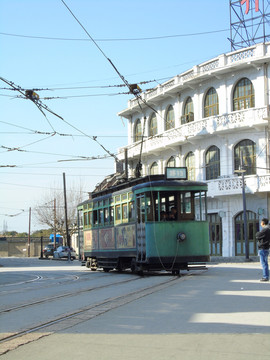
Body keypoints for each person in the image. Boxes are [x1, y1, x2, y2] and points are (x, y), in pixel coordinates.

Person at [256, 217, 270, 282]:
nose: (261, 223)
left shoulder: (265, 229)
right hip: (266, 247)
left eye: (261, 222)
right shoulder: (267, 229)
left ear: (263, 223)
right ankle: (266, 276)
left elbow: (258, 235)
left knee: (264, 263)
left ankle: (265, 277)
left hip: (263, 248)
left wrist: (258, 234)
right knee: (265, 263)